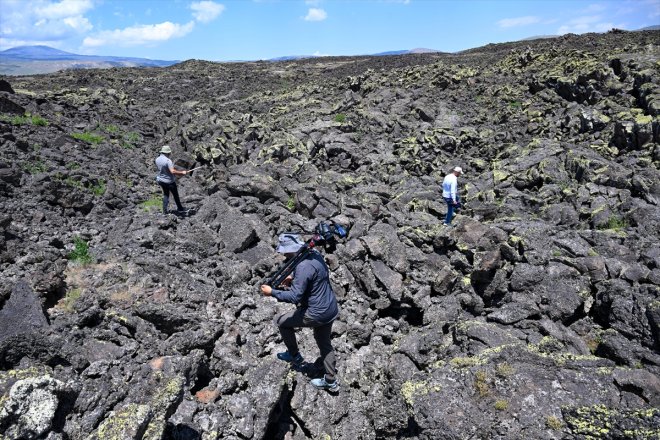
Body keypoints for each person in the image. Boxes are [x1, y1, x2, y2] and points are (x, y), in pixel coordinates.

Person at [260, 233, 340, 392]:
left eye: (285, 253)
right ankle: (331, 380)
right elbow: (312, 277)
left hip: (315, 313)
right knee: (324, 343)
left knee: (281, 321)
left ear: (289, 251)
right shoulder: (314, 254)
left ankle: (294, 355)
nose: (284, 255)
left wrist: (272, 292)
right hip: (330, 308)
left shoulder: (303, 267)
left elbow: (294, 296)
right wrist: (293, 278)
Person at [155, 145, 188, 215]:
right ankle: (180, 209)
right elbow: (172, 171)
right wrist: (182, 172)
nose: (170, 154)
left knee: (166, 194)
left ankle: (164, 211)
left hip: (161, 180)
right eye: (169, 153)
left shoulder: (157, 159)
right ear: (167, 153)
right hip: (169, 181)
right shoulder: (168, 161)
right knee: (175, 195)